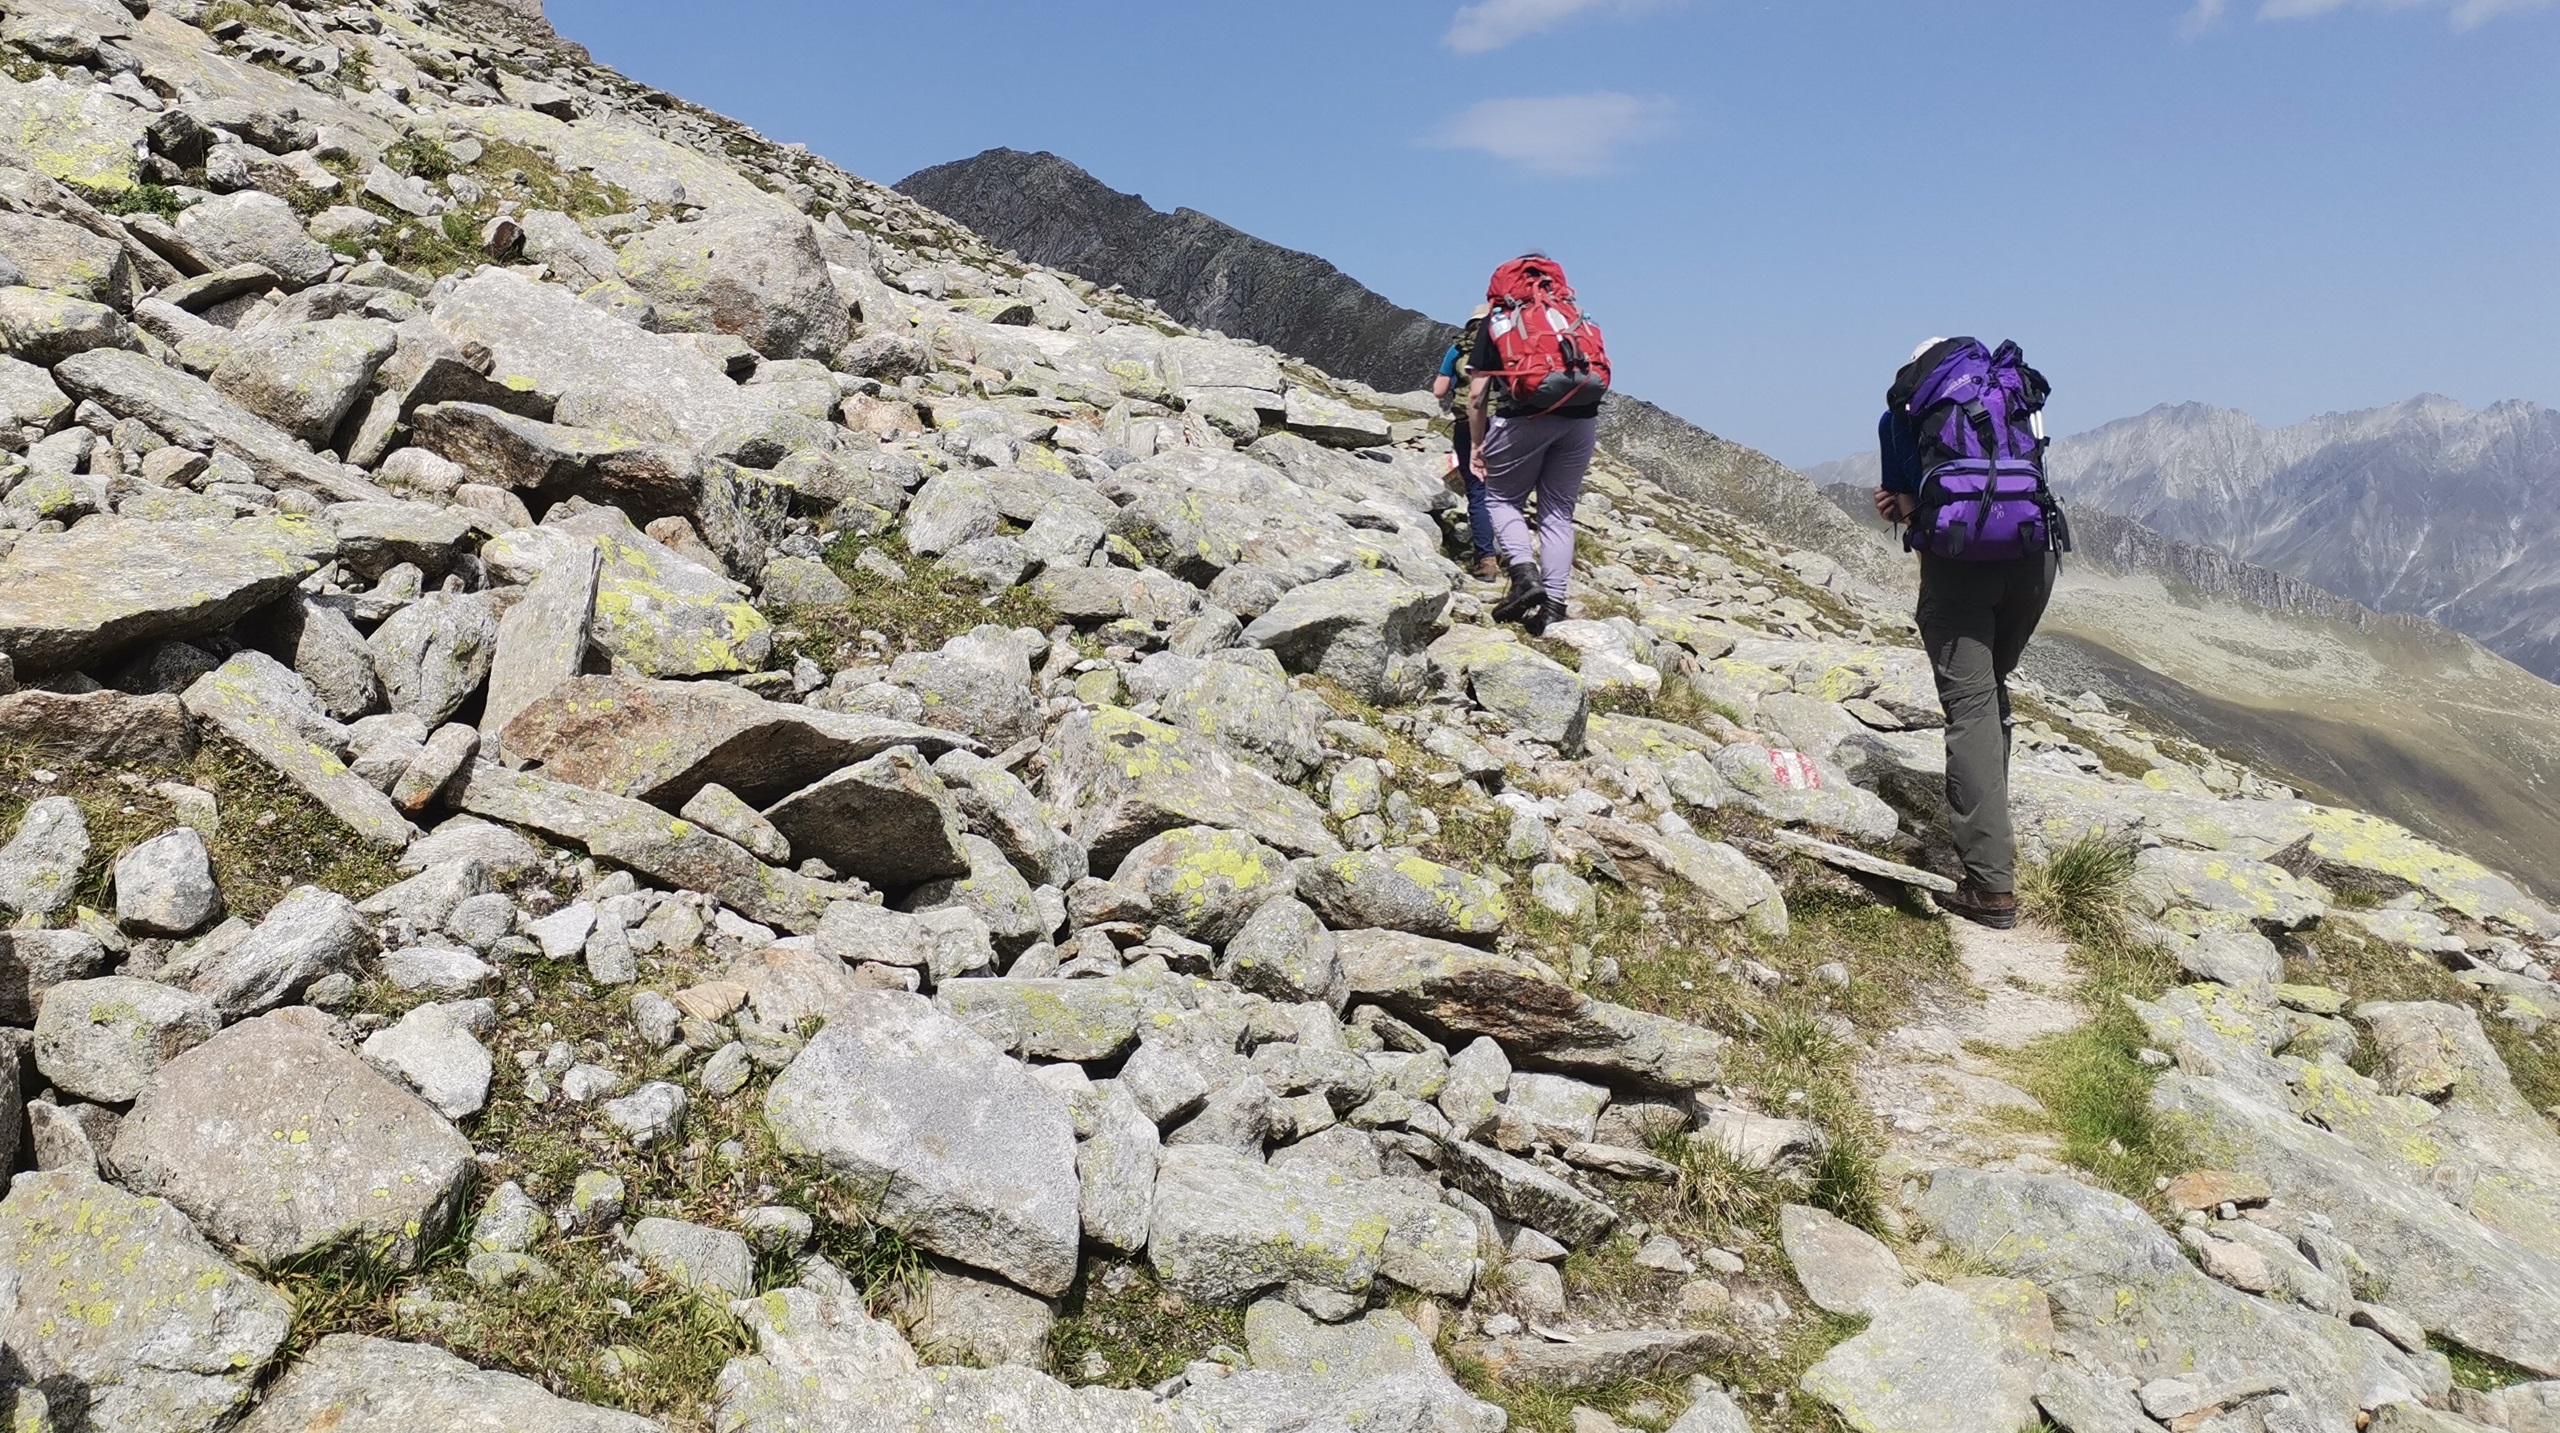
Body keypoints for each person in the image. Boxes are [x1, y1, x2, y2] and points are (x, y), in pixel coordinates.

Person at [1876, 337, 2067, 930]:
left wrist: (1902, 506)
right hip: (2034, 562)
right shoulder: (2014, 392)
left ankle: (1990, 886)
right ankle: (1993, 841)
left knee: (1972, 707)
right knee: (1991, 695)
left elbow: (1907, 499)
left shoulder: (1903, 412)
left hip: (1959, 568)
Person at [1467, 255, 1611, 638]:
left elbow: (1477, 394)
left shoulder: (1498, 320)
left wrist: (1476, 445)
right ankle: (1554, 606)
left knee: (1500, 500)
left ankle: (1523, 575)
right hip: (1581, 421)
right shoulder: (1574, 315)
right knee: (1558, 513)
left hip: (1522, 420)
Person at [1433, 306, 1501, 581]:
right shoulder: (1509, 348)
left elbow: (1438, 390)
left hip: (1468, 424)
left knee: (1477, 490)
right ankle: (1519, 560)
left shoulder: (1458, 349)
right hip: (1508, 425)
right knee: (1507, 490)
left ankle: (1486, 560)